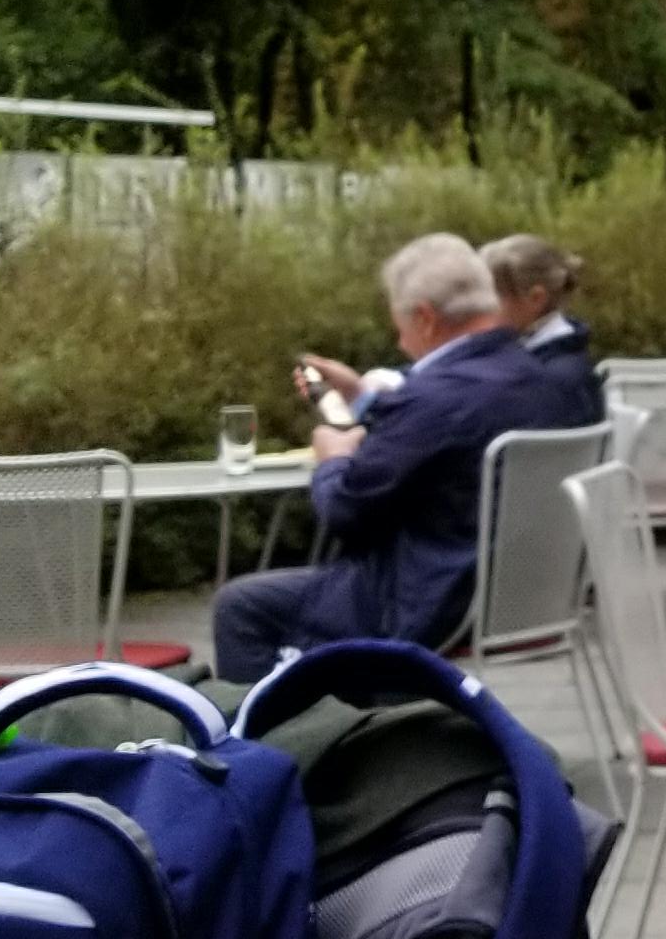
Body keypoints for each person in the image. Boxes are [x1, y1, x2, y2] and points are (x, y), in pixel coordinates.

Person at [211, 233, 572, 687]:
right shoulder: (543, 380)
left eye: (399, 326)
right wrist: (360, 397)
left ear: (424, 318)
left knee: (242, 607)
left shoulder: (433, 398)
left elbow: (346, 512)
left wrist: (333, 459)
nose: (400, 343)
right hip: (525, 598)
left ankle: (285, 733)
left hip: (429, 603)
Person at [482, 233, 605, 431]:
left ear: (536, 299)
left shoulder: (553, 379)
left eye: (492, 298)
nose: (481, 308)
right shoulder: (538, 357)